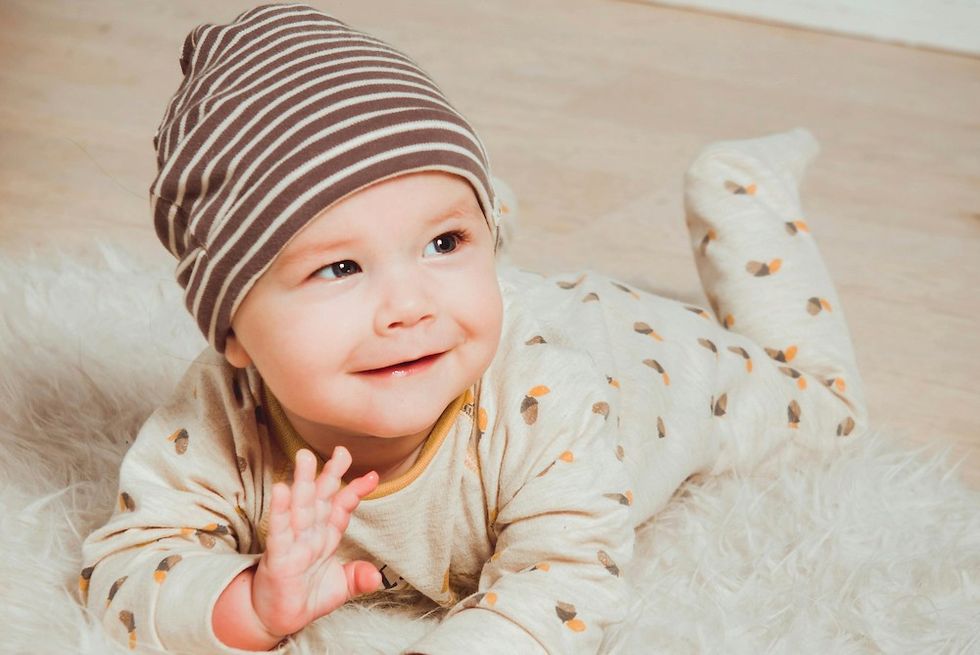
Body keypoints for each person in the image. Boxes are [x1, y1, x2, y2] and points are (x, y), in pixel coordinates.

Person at [79, 3, 868, 653]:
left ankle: (738, 193)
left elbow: (562, 584)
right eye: (340, 268)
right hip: (494, 312)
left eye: (443, 242)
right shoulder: (219, 418)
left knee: (825, 405)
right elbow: (124, 571)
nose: (408, 306)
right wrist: (249, 599)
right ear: (233, 331)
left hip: (639, 355)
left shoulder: (552, 399)